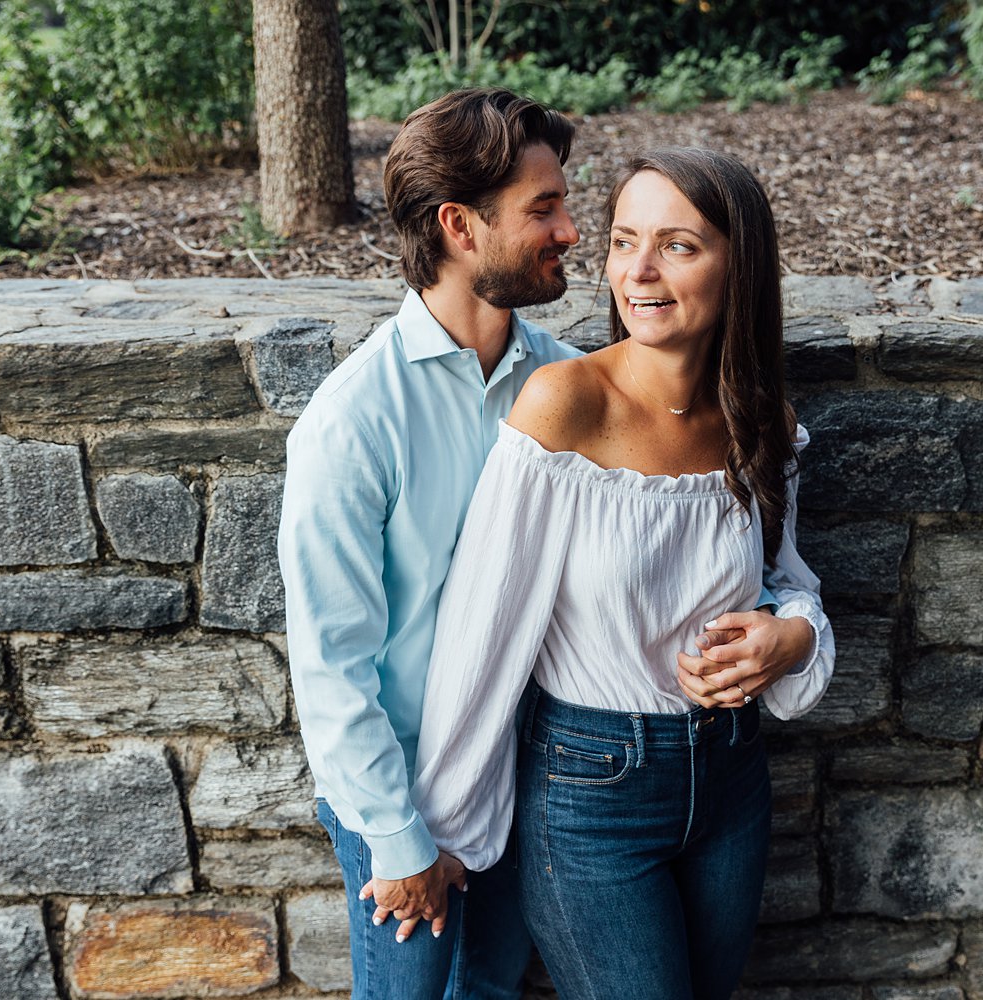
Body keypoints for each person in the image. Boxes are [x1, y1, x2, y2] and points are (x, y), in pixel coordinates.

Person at [279, 89, 825, 1000]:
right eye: (548, 209)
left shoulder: (558, 376)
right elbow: (333, 661)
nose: (576, 233)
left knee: (492, 990)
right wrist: (407, 833)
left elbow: (759, 569)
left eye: (575, 210)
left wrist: (793, 632)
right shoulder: (355, 420)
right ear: (461, 226)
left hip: (535, 757)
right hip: (406, 781)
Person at [410, 147, 835, 1000]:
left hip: (732, 783)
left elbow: (788, 579)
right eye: (623, 240)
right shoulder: (563, 404)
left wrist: (791, 639)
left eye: (678, 245)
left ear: (737, 264)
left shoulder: (762, 421)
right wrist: (440, 828)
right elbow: (484, 630)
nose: (637, 270)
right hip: (589, 791)